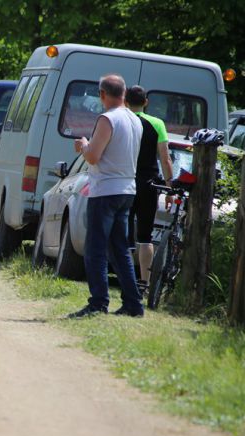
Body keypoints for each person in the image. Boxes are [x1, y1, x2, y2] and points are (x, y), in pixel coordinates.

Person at [71, 74, 144, 318]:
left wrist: (83, 144)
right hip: (127, 190)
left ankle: (98, 302)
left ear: (103, 94)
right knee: (120, 249)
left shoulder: (106, 119)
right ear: (123, 93)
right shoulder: (135, 120)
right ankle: (133, 304)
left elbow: (93, 157)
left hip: (105, 190)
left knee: (95, 249)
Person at [125, 85, 174, 291]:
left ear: (125, 102)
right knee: (146, 235)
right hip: (149, 184)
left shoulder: (122, 121)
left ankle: (126, 279)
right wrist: (169, 188)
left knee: (123, 232)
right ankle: (144, 282)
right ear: (146, 102)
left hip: (125, 182)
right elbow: (165, 158)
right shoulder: (157, 124)